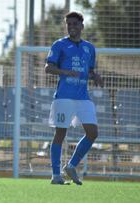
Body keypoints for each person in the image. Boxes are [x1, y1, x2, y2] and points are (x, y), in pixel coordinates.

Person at [44, 11, 104, 185]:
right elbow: (48, 68)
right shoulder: (59, 45)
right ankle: (56, 175)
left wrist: (96, 76)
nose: (71, 27)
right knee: (60, 133)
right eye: (68, 24)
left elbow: (89, 71)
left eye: (75, 24)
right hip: (64, 97)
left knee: (93, 132)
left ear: (82, 26)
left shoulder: (89, 48)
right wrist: (65, 71)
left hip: (83, 96)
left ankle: (71, 166)